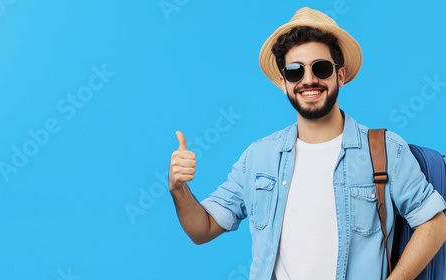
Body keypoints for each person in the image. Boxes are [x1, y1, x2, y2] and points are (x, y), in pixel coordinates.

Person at [168, 7, 446, 280]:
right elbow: (202, 229)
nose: (308, 79)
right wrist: (178, 188)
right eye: (294, 71)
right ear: (283, 82)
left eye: (321, 68)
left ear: (340, 75)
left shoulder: (386, 150)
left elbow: (434, 223)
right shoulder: (258, 157)